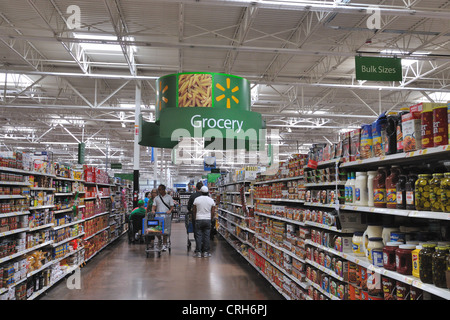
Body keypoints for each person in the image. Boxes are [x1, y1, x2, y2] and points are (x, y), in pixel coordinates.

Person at [192, 186, 216, 258]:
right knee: (207, 236)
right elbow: (213, 211)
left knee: (198, 236)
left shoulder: (197, 199)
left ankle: (198, 252)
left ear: (201, 192)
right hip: (207, 219)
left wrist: (195, 217)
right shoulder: (211, 200)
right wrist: (210, 219)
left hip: (199, 219)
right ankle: (206, 252)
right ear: (208, 192)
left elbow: (194, 210)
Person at [151, 184, 174, 251]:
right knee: (157, 230)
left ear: (163, 190)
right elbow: (154, 206)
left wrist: (170, 210)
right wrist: (153, 210)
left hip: (166, 217)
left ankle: (164, 244)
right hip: (158, 216)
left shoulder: (169, 197)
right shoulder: (156, 198)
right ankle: (159, 239)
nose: (159, 191)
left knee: (165, 231)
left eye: (160, 189)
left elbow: (172, 206)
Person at [187, 181, 203, 256]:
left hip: (196, 217)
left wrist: (190, 211)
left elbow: (189, 206)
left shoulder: (193, 196)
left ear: (196, 188)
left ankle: (198, 248)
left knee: (197, 232)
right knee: (205, 233)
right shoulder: (207, 196)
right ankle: (204, 249)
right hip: (205, 217)